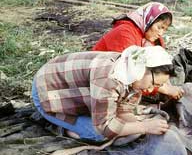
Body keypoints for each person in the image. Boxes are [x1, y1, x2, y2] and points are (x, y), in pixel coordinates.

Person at [32, 46, 173, 142]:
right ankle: (62, 127)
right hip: (47, 92)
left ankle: (77, 120)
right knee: (99, 135)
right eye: (154, 83)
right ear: (143, 69)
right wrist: (144, 127)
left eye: (158, 86)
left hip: (72, 90)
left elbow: (124, 109)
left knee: (127, 127)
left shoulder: (132, 74)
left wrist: (138, 123)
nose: (151, 90)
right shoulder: (110, 79)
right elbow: (105, 127)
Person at [92, 2, 184, 100]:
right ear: (149, 21)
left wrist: (166, 85)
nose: (161, 33)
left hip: (136, 80)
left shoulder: (152, 38)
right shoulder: (125, 32)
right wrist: (166, 89)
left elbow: (161, 68)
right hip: (101, 80)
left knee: (177, 78)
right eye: (159, 27)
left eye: (164, 29)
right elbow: (128, 73)